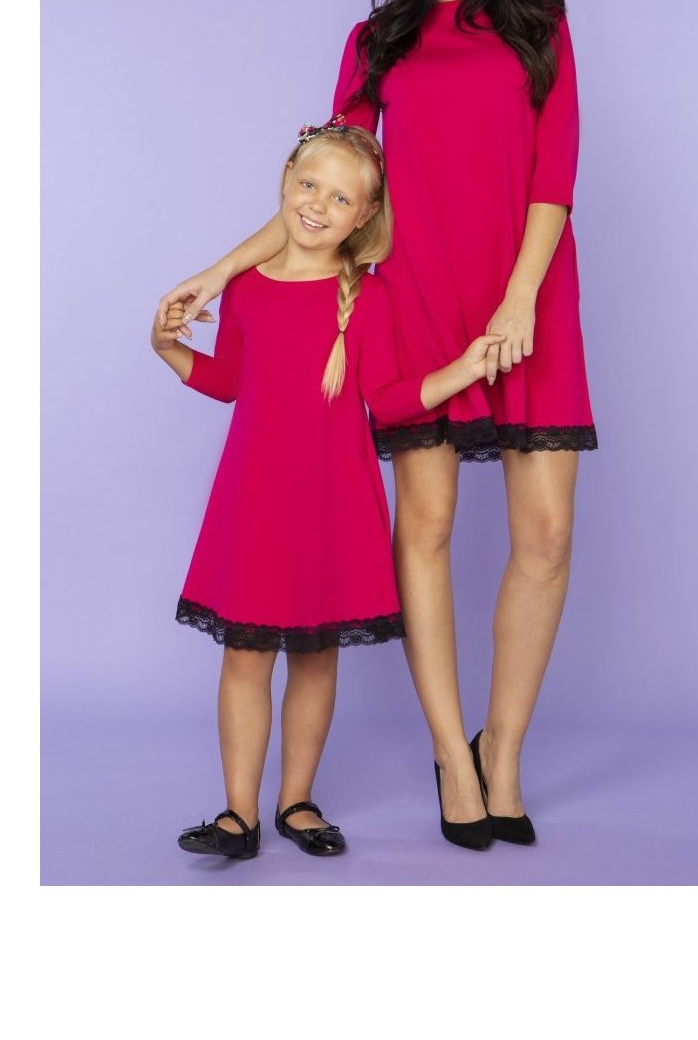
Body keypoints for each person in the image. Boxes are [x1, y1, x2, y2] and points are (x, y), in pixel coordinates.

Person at [157, 0, 596, 850]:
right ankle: (451, 753)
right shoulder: (377, 40)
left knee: (545, 536)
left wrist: (519, 302)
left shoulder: (541, 22)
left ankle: (503, 751)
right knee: (426, 528)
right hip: (417, 300)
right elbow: (332, 186)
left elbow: (554, 173)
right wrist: (218, 272)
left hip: (528, 298)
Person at [152, 119, 504, 860]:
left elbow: (392, 400)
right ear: (286, 179)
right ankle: (238, 813)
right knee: (245, 655)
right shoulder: (246, 290)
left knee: (314, 657)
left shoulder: (367, 299)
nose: (316, 204)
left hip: (332, 509)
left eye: (340, 198)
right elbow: (230, 382)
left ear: (364, 215)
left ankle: (296, 800)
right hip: (252, 504)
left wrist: (467, 369)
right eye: (308, 184)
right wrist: (169, 349)